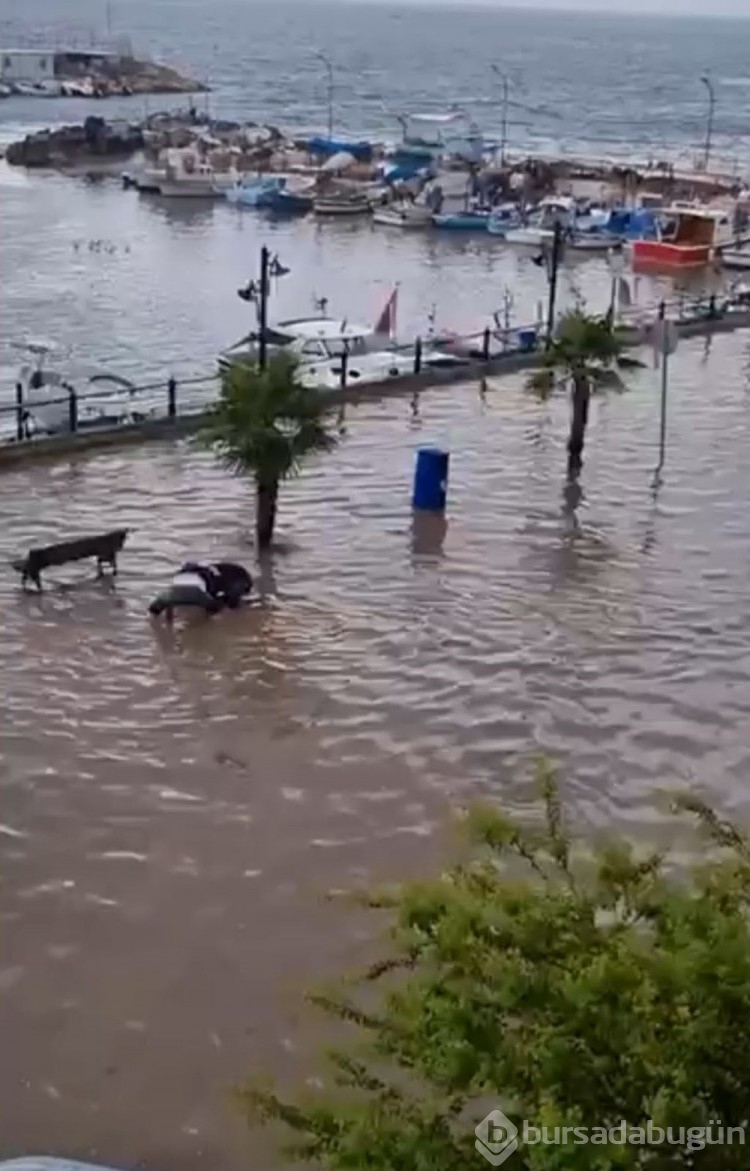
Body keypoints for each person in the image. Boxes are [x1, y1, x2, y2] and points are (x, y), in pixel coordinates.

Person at [149, 561, 252, 621]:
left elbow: (155, 609)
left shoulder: (184, 574)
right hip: (199, 591)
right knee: (215, 610)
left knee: (156, 610)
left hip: (175, 588)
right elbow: (214, 592)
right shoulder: (237, 577)